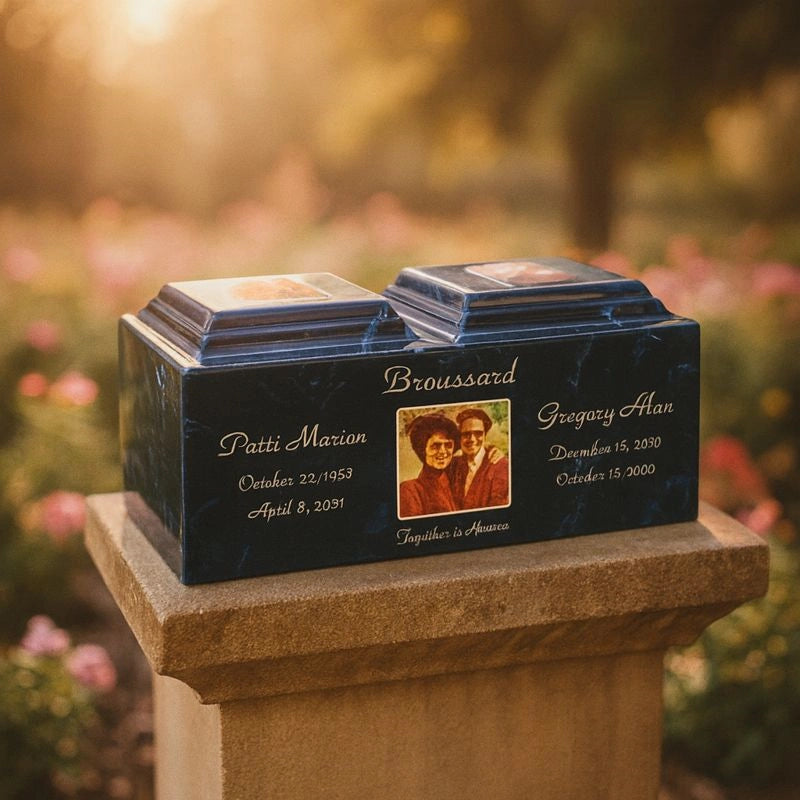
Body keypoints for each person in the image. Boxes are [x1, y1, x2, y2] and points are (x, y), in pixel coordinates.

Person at [399, 414, 459, 518]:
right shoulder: (410, 490)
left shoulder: (456, 481)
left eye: (448, 445)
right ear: (423, 449)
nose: (443, 452)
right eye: (435, 446)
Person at [448, 408, 509, 510]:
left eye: (478, 433)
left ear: (485, 435)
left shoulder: (500, 466)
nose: (472, 439)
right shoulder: (454, 464)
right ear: (460, 437)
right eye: (466, 434)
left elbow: (498, 510)